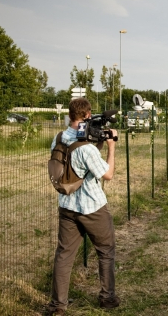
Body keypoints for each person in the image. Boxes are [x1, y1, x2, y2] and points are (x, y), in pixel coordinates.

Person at [48, 98, 119, 315]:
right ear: (88, 115)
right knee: (105, 250)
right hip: (92, 207)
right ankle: (107, 298)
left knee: (64, 254)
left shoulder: (58, 138)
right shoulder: (87, 149)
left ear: (70, 115)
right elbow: (107, 174)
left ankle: (57, 306)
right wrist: (111, 147)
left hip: (67, 205)